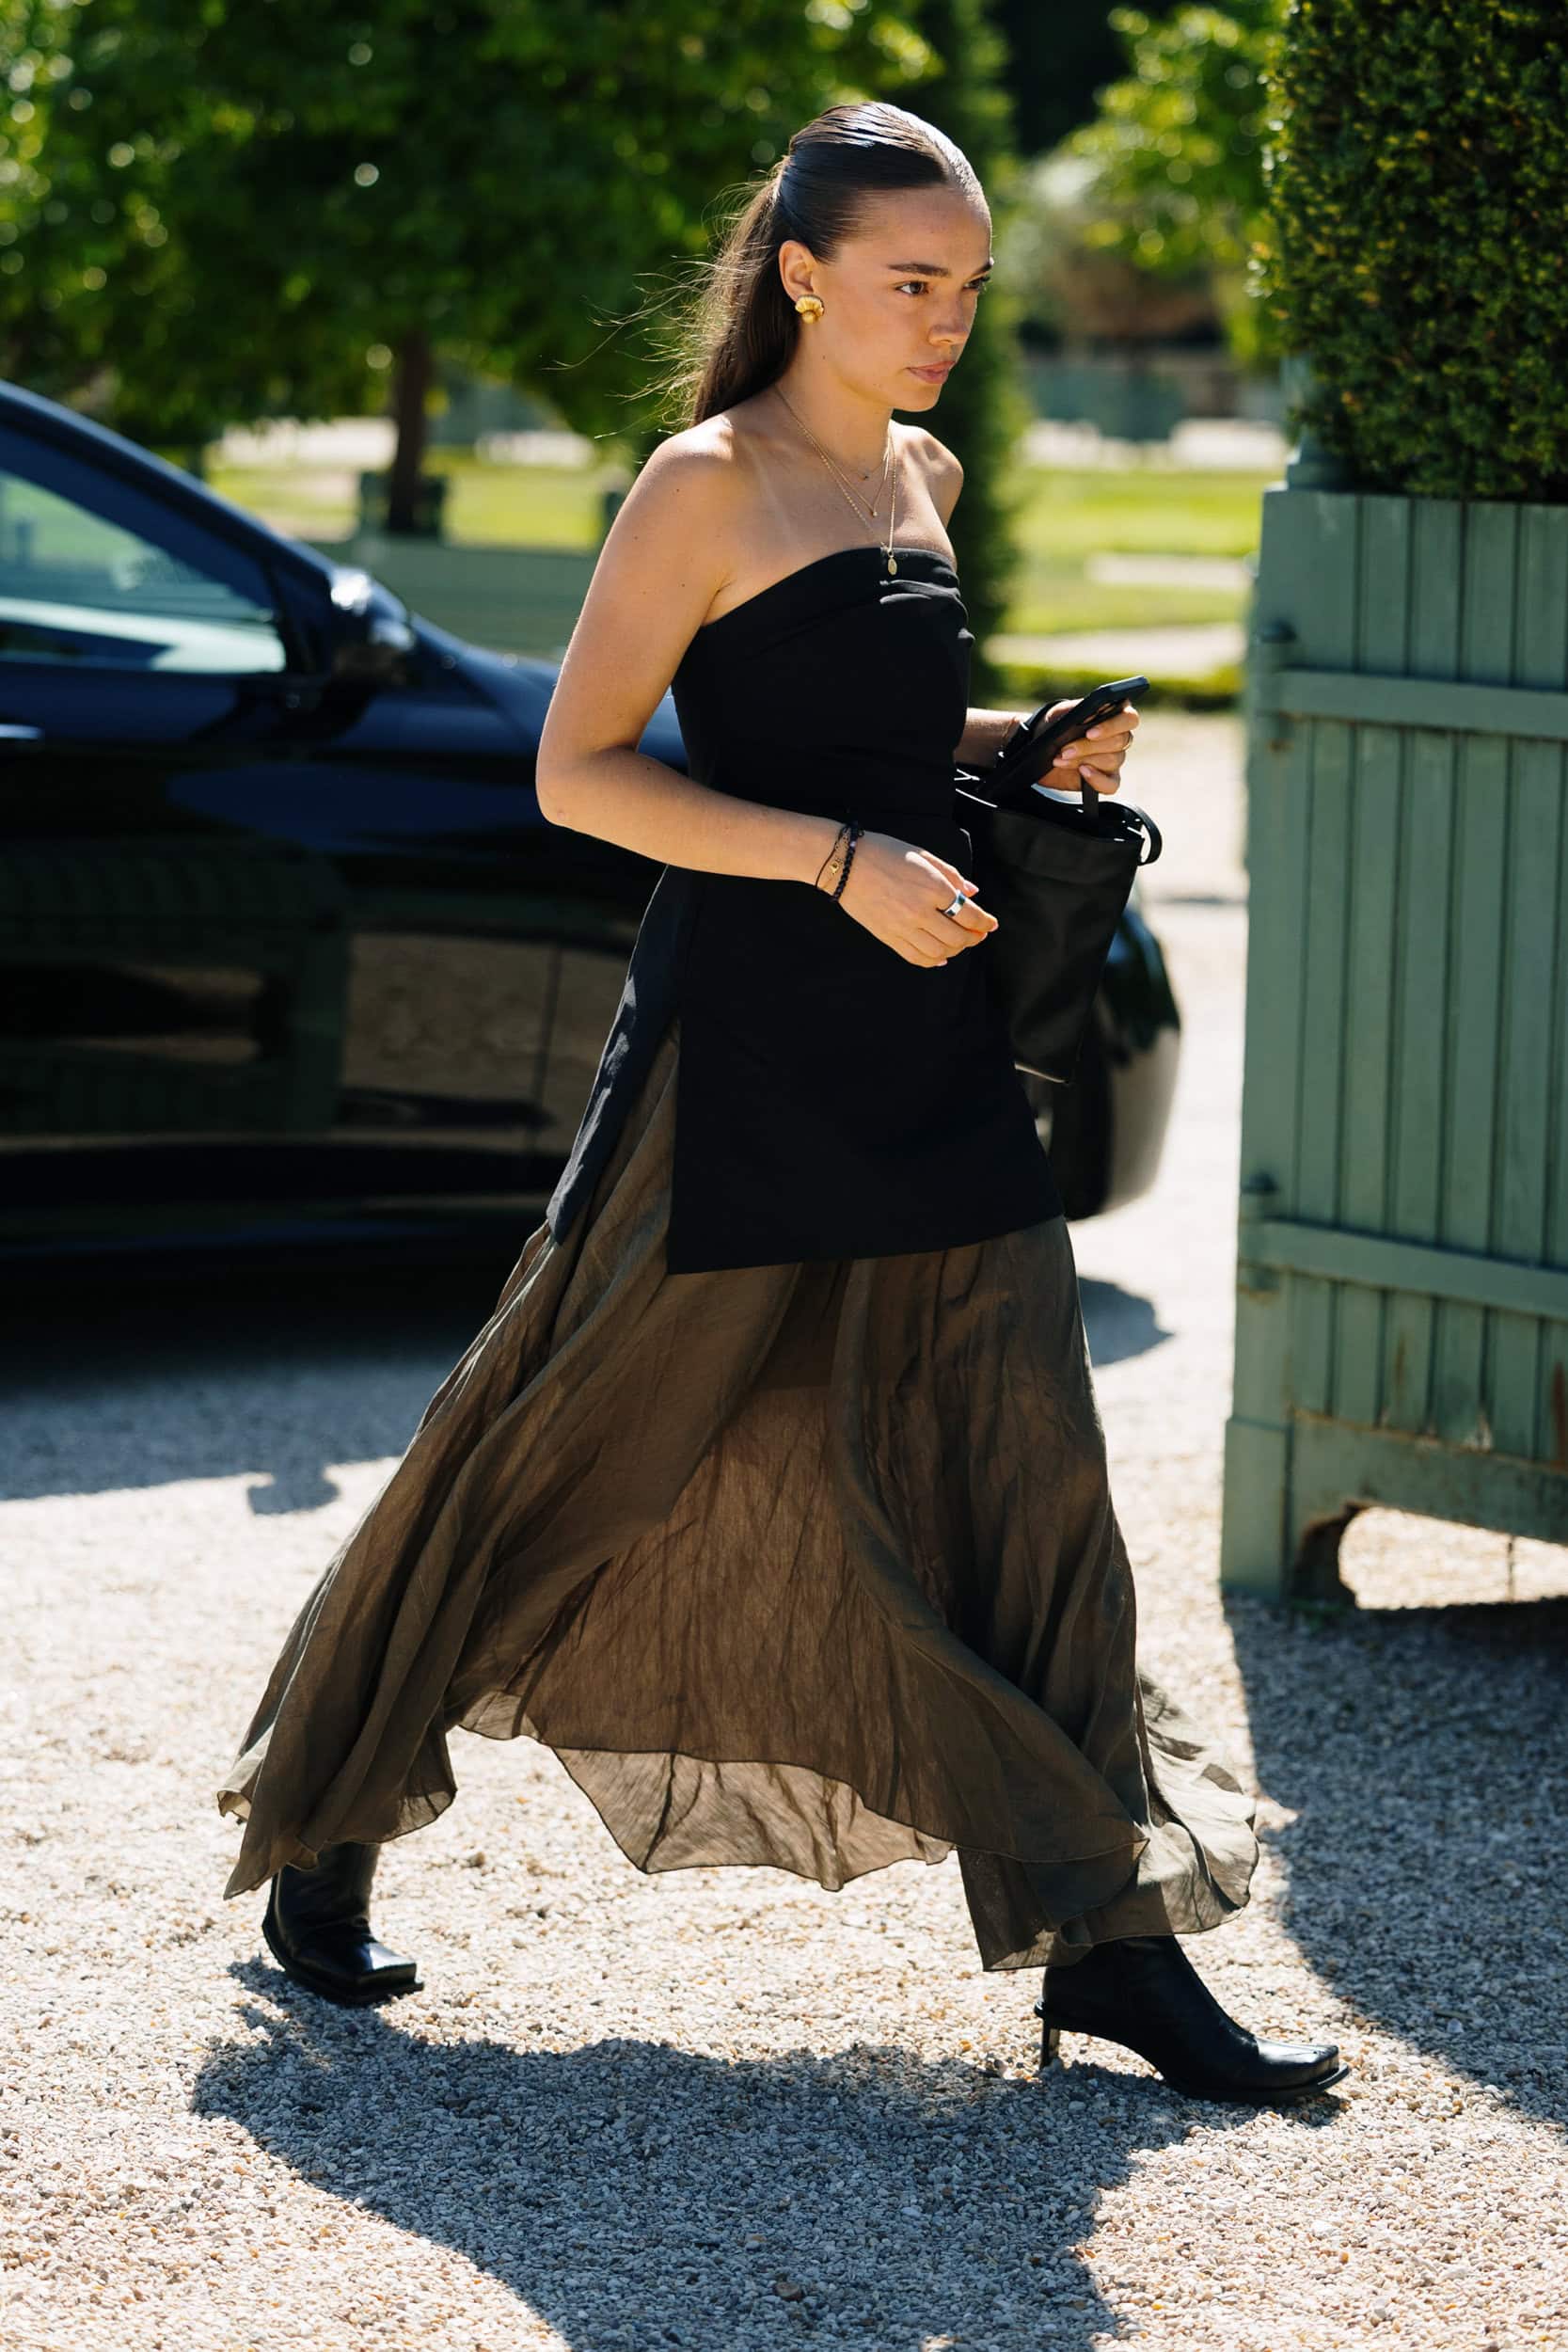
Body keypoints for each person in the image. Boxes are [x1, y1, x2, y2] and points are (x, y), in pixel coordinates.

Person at [216, 101, 1347, 2107]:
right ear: (805, 276)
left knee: (1032, 1466)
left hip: (927, 1038)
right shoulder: (705, 483)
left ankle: (1109, 1941)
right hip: (733, 1053)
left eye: (970, 286)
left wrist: (1017, 746)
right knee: (567, 1444)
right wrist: (836, 862)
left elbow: (870, 732)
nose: (947, 322)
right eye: (913, 284)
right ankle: (329, 1807)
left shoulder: (923, 471)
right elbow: (584, 772)